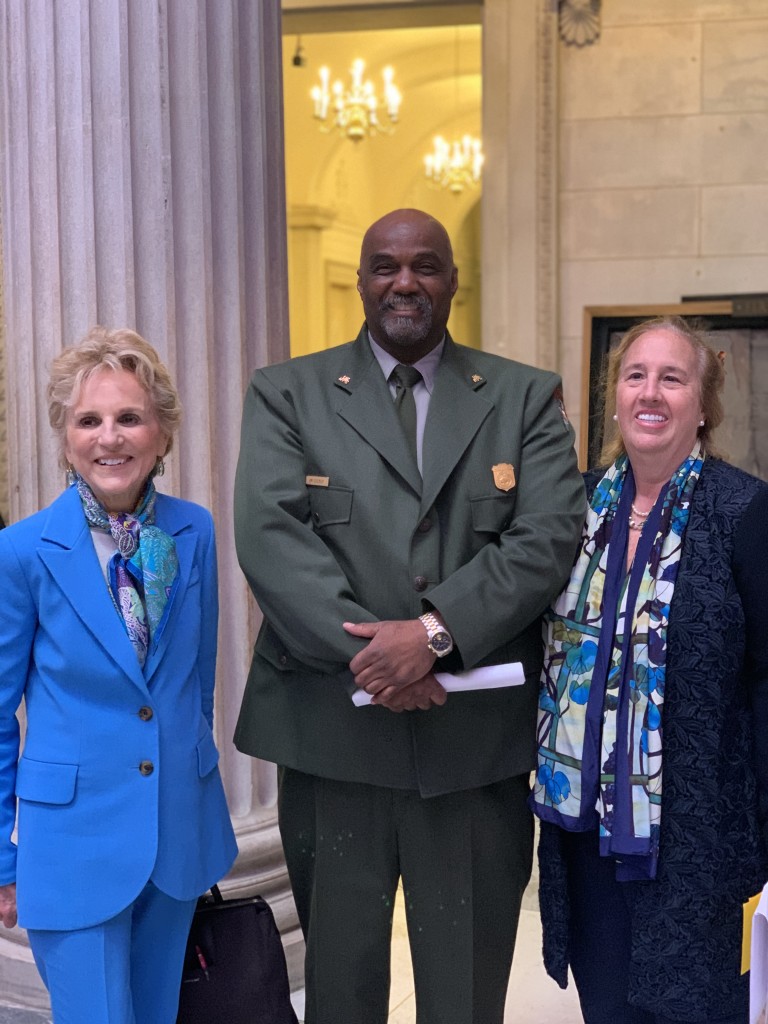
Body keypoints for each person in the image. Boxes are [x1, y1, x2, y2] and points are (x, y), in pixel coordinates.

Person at [233, 208, 584, 1024]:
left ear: (453, 282)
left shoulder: (525, 398)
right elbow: (273, 541)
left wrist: (431, 638)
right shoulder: (286, 393)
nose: (405, 282)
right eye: (385, 266)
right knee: (343, 992)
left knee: (465, 995)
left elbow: (547, 538)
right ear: (360, 281)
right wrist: (378, 660)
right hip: (333, 741)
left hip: (472, 751)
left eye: (425, 266)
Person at [532, 316, 768, 1024]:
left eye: (673, 377)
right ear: (616, 396)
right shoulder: (570, 507)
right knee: (609, 1008)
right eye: (636, 375)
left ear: (704, 404)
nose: (651, 393)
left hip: (702, 842)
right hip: (588, 838)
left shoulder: (746, 511)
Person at [0, 327, 238, 1024]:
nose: (110, 437)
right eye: (89, 420)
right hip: (70, 846)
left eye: (129, 417)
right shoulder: (22, 552)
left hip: (173, 839)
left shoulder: (193, 532)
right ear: (66, 438)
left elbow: (196, 686)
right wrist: (3, 860)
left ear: (162, 434)